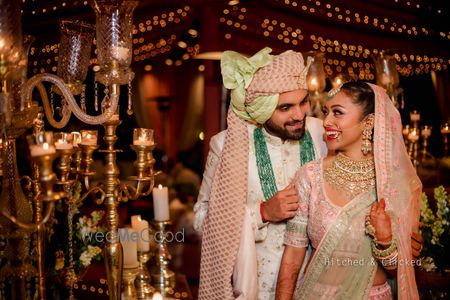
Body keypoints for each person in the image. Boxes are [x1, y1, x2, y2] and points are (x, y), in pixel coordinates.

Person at [193, 47, 328, 299]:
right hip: (256, 286)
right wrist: (261, 213)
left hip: (318, 284)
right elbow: (201, 219)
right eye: (285, 107)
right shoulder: (227, 145)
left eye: (303, 102)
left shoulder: (323, 134)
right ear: (262, 109)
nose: (299, 115)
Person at [276, 81, 421, 299]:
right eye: (326, 112)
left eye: (337, 113)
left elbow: (401, 271)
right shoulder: (310, 175)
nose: (326, 122)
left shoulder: (393, 183)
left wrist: (385, 239)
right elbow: (293, 257)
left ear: (368, 122)